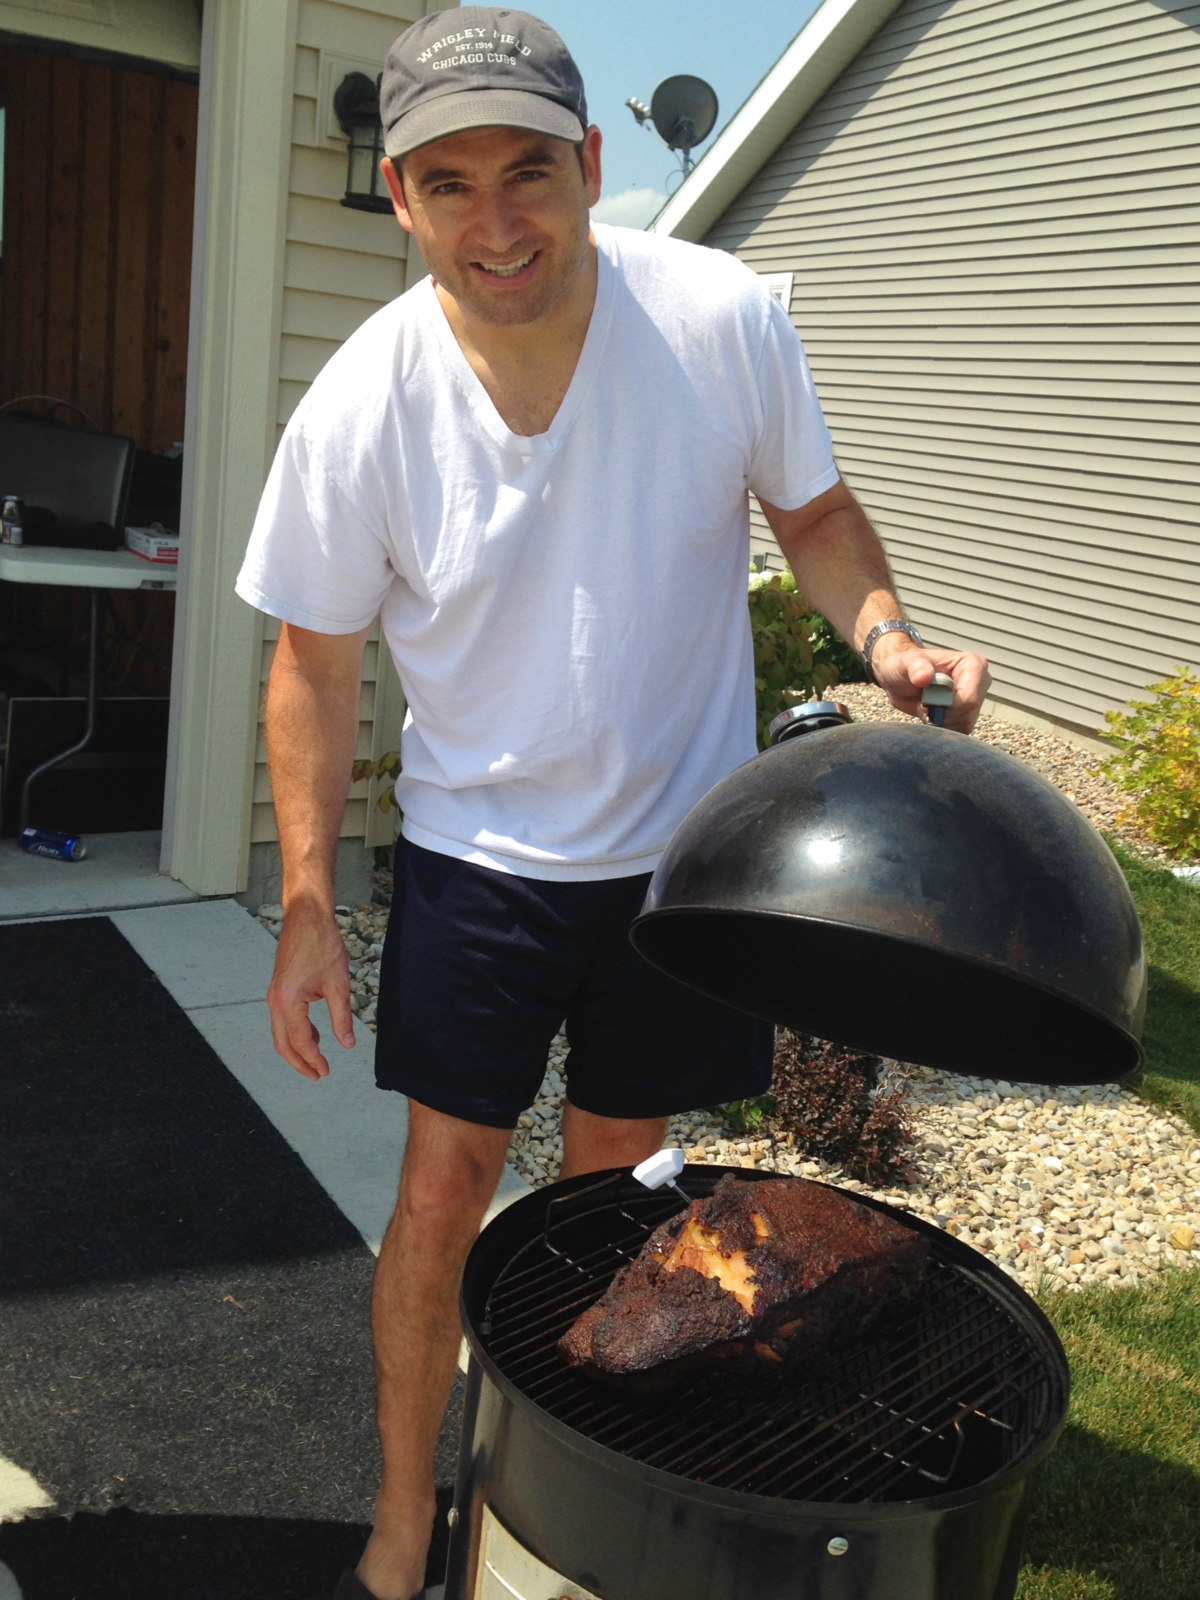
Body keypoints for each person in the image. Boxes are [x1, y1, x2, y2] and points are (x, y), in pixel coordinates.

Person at [235, 10, 991, 1597]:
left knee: (610, 1194)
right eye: (450, 183)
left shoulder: (720, 319)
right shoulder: (363, 402)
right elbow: (308, 664)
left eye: (527, 171)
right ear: (400, 197)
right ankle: (398, 1513)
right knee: (441, 1189)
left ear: (591, 165)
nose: (495, 221)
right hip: (476, 868)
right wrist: (309, 899)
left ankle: (550, 1504)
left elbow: (820, 511)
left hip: (683, 868)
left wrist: (886, 635)